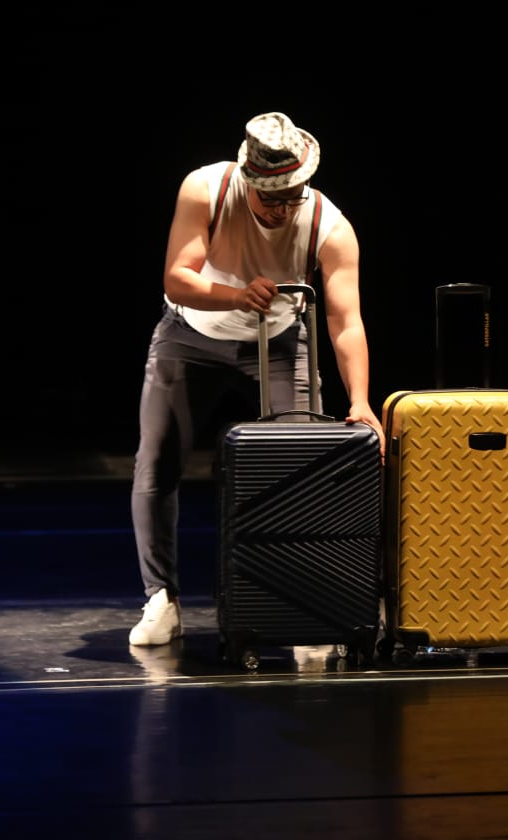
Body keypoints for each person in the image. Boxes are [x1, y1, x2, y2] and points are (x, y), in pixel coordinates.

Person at [128, 111, 385, 647]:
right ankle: (161, 599)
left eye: (292, 196)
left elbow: (345, 321)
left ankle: (307, 607)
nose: (281, 209)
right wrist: (236, 295)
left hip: (280, 341)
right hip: (191, 333)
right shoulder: (206, 189)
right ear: (248, 179)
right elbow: (178, 278)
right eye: (271, 197)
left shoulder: (330, 226)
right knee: (156, 463)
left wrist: (360, 400)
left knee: (306, 469)